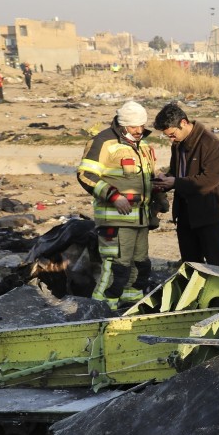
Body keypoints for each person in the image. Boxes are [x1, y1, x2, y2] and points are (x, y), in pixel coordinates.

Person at [77, 101, 162, 308]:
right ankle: (101, 311)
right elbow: (85, 175)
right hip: (115, 220)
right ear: (123, 124)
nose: (139, 131)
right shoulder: (103, 142)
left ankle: (129, 307)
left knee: (140, 266)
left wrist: (160, 197)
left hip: (141, 219)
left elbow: (148, 177)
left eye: (142, 126)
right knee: (117, 267)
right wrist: (114, 197)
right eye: (134, 127)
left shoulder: (143, 145)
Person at [153, 102, 219, 266]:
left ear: (183, 123)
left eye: (172, 134)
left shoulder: (210, 143)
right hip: (184, 212)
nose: (171, 139)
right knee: (190, 262)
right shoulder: (177, 144)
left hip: (209, 212)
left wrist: (176, 182)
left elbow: (210, 180)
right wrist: (166, 180)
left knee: (215, 261)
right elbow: (176, 172)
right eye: (168, 136)